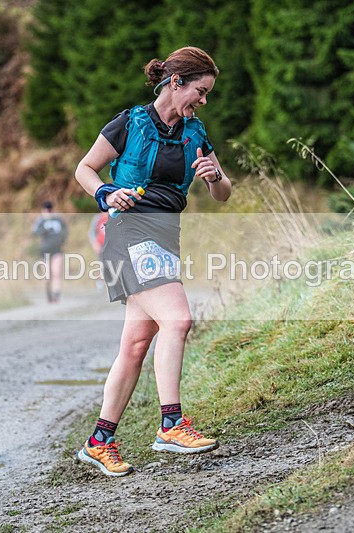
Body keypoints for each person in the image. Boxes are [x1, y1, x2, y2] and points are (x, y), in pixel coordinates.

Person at [74, 46, 231, 477]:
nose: (203, 101)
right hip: (127, 232)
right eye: (200, 91)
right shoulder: (129, 123)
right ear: (176, 82)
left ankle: (99, 442)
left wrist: (215, 178)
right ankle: (171, 424)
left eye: (207, 94)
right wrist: (105, 193)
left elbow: (223, 193)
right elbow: (85, 169)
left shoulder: (195, 133)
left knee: (135, 346)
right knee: (178, 320)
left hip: (164, 239)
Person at [31, 200, 68, 303]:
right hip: (44, 250)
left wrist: (62, 240)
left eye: (49, 210)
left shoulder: (58, 219)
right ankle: (48, 294)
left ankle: (56, 295)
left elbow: (65, 231)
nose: (48, 212)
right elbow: (34, 232)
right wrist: (43, 230)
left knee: (57, 273)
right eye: (46, 210)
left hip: (57, 249)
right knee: (47, 276)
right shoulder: (40, 220)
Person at [88, 212, 109, 291]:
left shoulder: (114, 215)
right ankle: (100, 284)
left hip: (112, 245)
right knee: (101, 265)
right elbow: (91, 232)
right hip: (101, 245)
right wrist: (94, 243)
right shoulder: (97, 218)